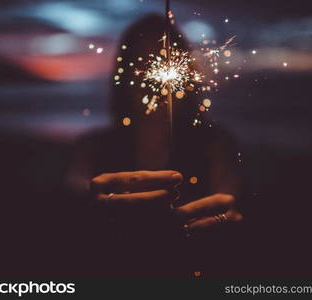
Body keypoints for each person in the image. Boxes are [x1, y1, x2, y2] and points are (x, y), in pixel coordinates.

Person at [66, 14, 243, 277]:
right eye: (142, 62)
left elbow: (231, 213)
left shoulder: (216, 144)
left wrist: (225, 223)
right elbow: (71, 219)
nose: (153, 77)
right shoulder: (90, 148)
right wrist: (89, 214)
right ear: (125, 74)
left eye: (162, 59)